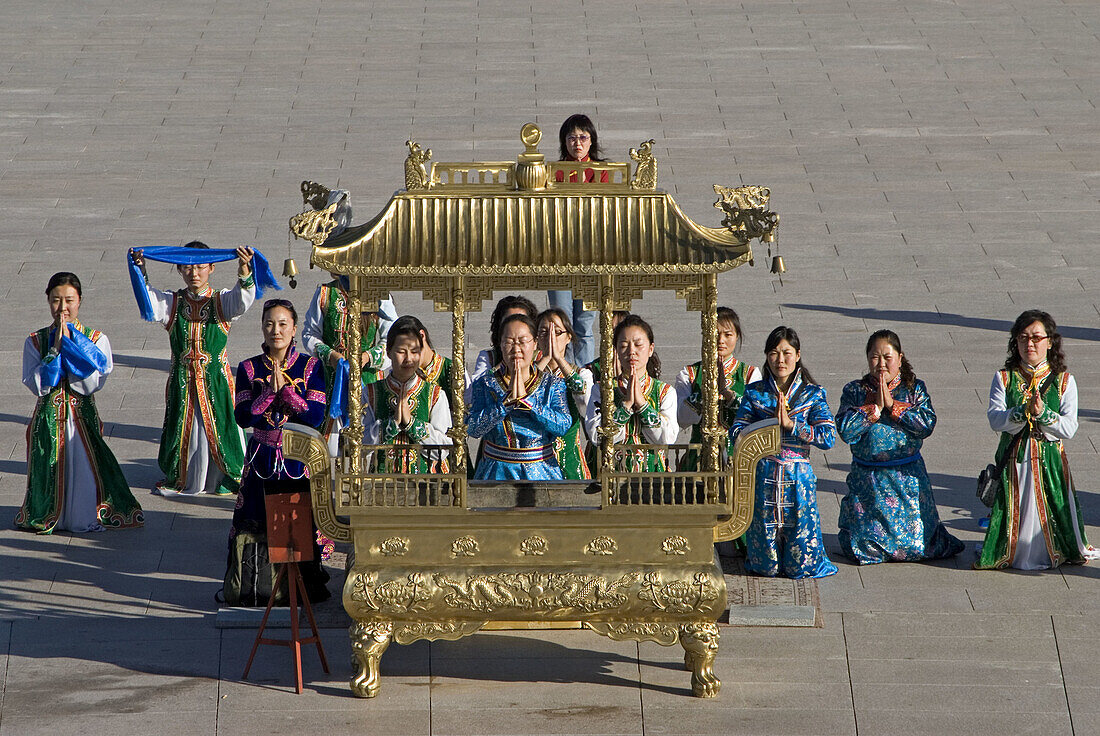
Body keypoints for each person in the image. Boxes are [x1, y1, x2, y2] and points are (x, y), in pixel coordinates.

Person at [16, 272, 144, 533]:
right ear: (48, 301)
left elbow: (91, 384)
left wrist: (72, 349)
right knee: (47, 469)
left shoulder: (97, 340)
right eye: (55, 300)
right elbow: (37, 385)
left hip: (81, 419)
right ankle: (49, 514)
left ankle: (83, 515)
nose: (62, 308)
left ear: (80, 301)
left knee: (86, 470)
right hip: (48, 419)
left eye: (69, 300)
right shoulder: (35, 341)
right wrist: (54, 352)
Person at [976, 310, 1098, 570]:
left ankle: (1053, 549)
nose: (1029, 344)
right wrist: (1021, 412)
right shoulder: (1004, 378)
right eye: (1023, 338)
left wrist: (1043, 414)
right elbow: (995, 419)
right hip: (1015, 459)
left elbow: (1069, 428)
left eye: (1036, 338)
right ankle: (1010, 550)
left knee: (1051, 508)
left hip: (1049, 460)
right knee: (1015, 507)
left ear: (1050, 341)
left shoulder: (1065, 381)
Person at [129, 243, 255, 496]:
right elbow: (150, 303)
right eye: (187, 267)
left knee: (220, 430)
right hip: (182, 380)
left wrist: (244, 270)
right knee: (186, 431)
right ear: (179, 269)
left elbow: (242, 302)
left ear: (212, 267)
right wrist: (140, 269)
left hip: (216, 382)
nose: (194, 273)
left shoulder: (222, 301)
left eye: (199, 267)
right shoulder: (173, 302)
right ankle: (185, 477)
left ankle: (223, 477)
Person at [226, 299, 329, 604]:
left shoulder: (310, 366)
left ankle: (300, 590)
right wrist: (268, 393)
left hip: (298, 461)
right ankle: (256, 586)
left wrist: (285, 391)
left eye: (283, 323)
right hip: (261, 458)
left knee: (298, 527)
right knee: (256, 522)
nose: (276, 330)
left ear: (294, 327)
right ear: (262, 327)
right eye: (270, 323)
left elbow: (314, 416)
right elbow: (243, 417)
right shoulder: (248, 367)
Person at [835, 330, 964, 565]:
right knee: (863, 546)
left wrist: (894, 406)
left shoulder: (914, 388)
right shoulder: (854, 391)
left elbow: (927, 424)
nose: (881, 364)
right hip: (868, 479)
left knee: (920, 544)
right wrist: (873, 409)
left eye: (888, 357)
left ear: (900, 358)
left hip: (907, 476)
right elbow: (844, 429)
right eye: (875, 357)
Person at [730, 326, 837, 579]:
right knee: (764, 566)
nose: (780, 360)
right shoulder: (755, 392)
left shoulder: (812, 394)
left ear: (798, 355)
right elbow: (736, 431)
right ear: (767, 356)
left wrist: (792, 426)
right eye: (774, 353)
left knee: (801, 565)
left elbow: (828, 437)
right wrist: (766, 427)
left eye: (787, 353)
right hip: (764, 474)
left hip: (797, 476)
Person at [302, 273, 397, 456]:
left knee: (368, 441)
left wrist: (368, 356)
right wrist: (330, 355)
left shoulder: (379, 294)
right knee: (329, 447)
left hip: (367, 378)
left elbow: (392, 339)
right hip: (331, 378)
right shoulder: (326, 293)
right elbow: (310, 334)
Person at [467, 314, 571, 480]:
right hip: (495, 470)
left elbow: (563, 425)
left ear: (535, 343)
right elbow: (472, 428)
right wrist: (503, 406)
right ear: (500, 345)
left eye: (523, 341)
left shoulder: (552, 384)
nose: (516, 349)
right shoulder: (486, 383)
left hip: (541, 470)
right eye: (509, 342)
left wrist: (529, 404)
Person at [584, 315, 678, 472]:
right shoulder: (601, 390)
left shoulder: (665, 392)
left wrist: (642, 405)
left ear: (650, 349)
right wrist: (625, 407)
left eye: (638, 345)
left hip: (652, 476)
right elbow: (595, 436)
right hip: (610, 474)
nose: (631, 351)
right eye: (624, 346)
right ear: (616, 351)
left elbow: (667, 439)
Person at [548, 113, 604, 367]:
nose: (577, 143)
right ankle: (563, 373)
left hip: (592, 256)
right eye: (571, 138)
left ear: (592, 141)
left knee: (584, 324)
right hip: (559, 255)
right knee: (560, 322)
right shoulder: (552, 173)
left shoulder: (603, 173)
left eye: (583, 137)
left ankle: (585, 376)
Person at [675, 307, 761, 471]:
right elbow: (681, 419)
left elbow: (756, 418)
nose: (721, 340)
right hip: (699, 458)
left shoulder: (750, 375)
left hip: (738, 459)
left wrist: (729, 395)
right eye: (715, 333)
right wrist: (705, 392)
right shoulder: (689, 374)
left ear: (737, 337)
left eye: (728, 334)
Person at [364, 316, 452, 474]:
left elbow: (444, 449)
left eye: (414, 352)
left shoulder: (435, 394)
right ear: (389, 352)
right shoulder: (371, 392)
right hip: (381, 484)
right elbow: (358, 445)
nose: (409, 359)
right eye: (401, 352)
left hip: (425, 485)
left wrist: (412, 424)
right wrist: (391, 425)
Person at [536, 308, 593, 480]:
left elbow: (586, 405)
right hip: (535, 460)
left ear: (569, 337)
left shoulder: (582, 374)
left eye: (557, 332)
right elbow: (522, 393)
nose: (550, 338)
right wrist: (545, 358)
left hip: (570, 460)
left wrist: (560, 360)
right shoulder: (527, 373)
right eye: (544, 332)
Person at [471, 295, 538, 382]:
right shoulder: (489, 357)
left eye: (522, 319)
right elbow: (476, 385)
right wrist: (508, 359)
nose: (515, 325)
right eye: (509, 320)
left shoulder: (540, 356)